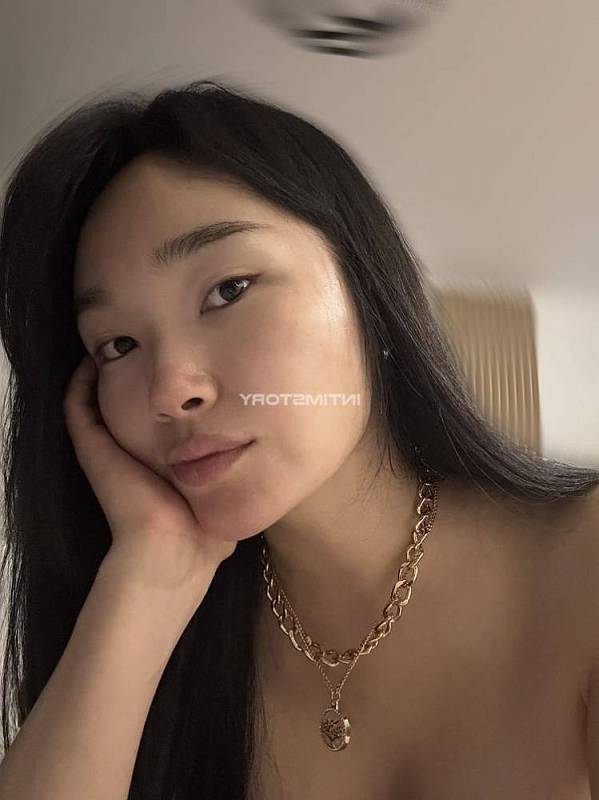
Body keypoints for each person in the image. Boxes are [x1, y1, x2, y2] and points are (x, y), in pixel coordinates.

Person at [0, 78, 598, 800]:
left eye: (228, 290)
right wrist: (149, 577)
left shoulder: (581, 565)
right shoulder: (170, 645)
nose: (169, 391)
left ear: (368, 293)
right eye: (118, 345)